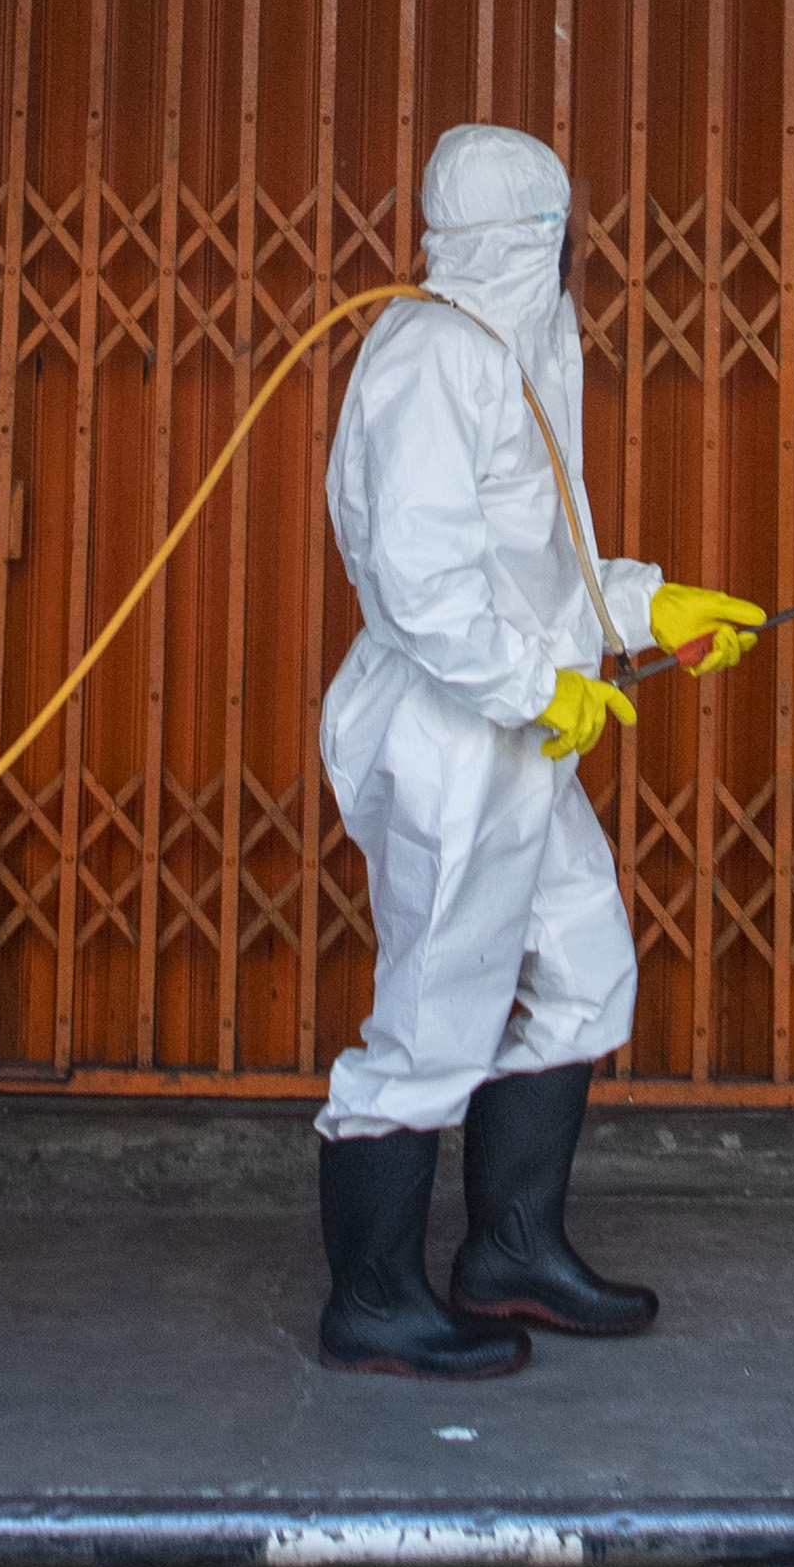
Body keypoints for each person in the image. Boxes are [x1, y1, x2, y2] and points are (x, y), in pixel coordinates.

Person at [312, 123, 765, 1380]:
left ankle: (511, 1250)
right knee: (433, 1015)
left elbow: (537, 563)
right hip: (452, 734)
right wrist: (534, 684)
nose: (577, 260)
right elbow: (422, 584)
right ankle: (374, 1298)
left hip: (515, 728)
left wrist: (645, 607)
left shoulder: (519, 350)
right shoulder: (429, 358)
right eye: (564, 238)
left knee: (583, 970)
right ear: (532, 240)